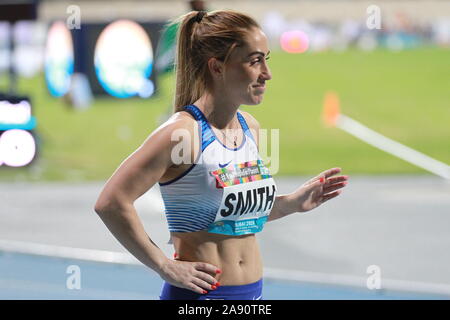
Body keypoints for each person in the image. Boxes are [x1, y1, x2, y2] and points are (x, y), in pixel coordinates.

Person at [94, 9, 349, 300]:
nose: (267, 73)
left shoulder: (250, 128)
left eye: (266, 59)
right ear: (217, 67)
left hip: (252, 294)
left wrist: (292, 203)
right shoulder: (182, 134)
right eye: (255, 61)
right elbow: (111, 202)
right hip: (201, 297)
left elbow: (238, 215)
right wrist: (163, 265)